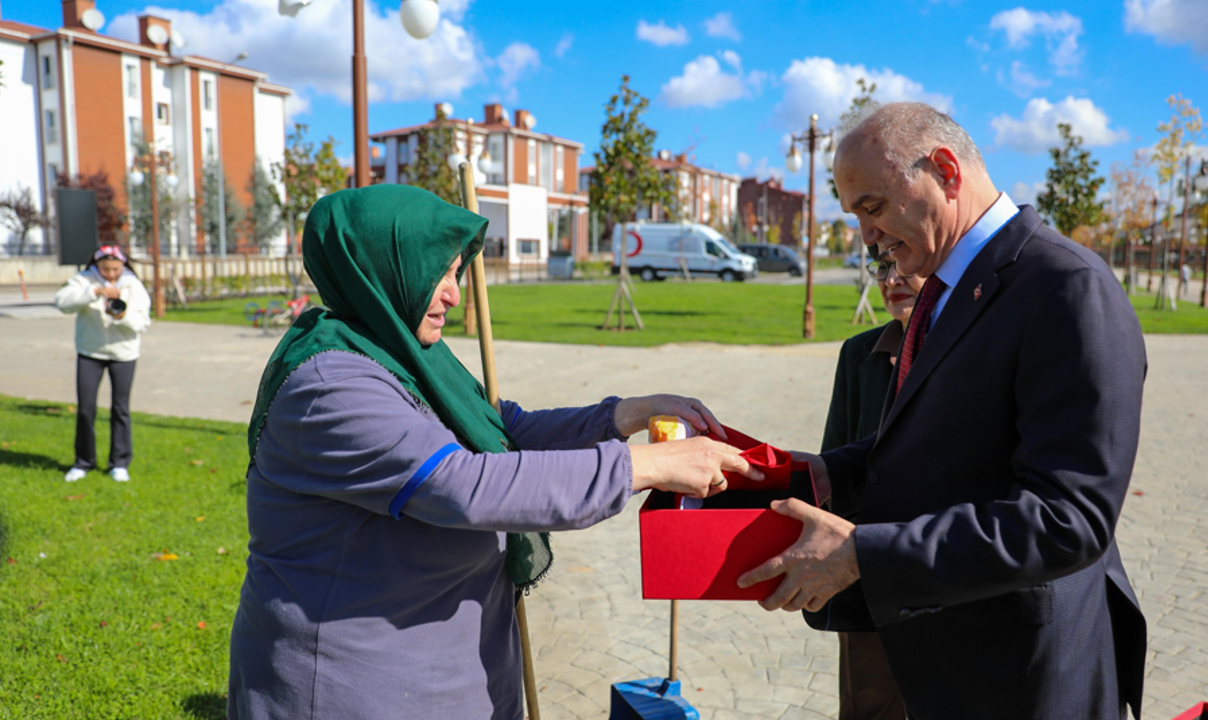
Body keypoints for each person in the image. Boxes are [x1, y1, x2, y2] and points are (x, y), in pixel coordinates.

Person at [226, 185, 761, 720]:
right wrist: (648, 466)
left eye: (456, 273)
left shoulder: (404, 353)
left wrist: (625, 414)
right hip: (356, 686)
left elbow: (504, 431)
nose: (453, 294)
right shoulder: (328, 384)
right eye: (437, 273)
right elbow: (460, 484)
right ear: (383, 268)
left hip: (450, 674)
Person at [740, 103, 1147, 719]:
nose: (867, 236)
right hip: (946, 662)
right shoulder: (947, 288)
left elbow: (1068, 519)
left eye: (873, 207)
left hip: (1022, 676)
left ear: (945, 171)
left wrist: (863, 555)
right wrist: (818, 474)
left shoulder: (1067, 287)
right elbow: (944, 440)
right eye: (856, 216)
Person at [819, 252, 923, 720]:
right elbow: (832, 461)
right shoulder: (857, 353)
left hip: (942, 568)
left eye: (903, 263)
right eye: (881, 267)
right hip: (866, 577)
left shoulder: (964, 352)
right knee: (870, 705)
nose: (891, 278)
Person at [53, 244, 151, 483]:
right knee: (86, 410)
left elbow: (142, 323)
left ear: (123, 265)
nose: (111, 274)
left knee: (120, 409)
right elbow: (62, 303)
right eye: (106, 269)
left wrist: (121, 316)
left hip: (124, 354)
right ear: (97, 265)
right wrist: (94, 292)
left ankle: (119, 463)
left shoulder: (133, 285)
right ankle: (83, 462)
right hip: (90, 352)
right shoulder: (84, 280)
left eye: (116, 269)